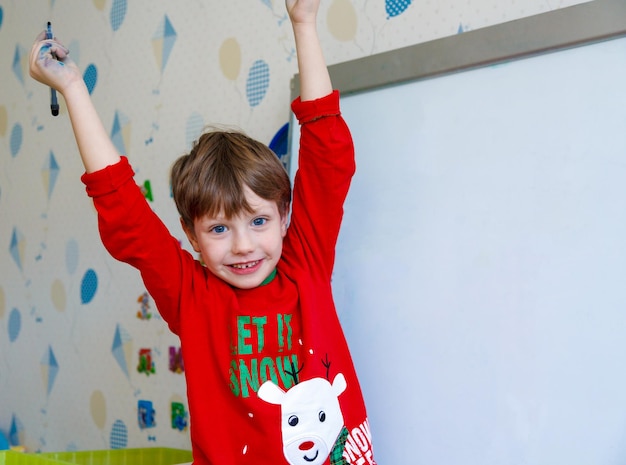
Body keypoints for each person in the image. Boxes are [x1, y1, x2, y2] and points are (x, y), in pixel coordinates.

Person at [30, 1, 376, 464]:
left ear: (285, 216)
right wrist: (73, 88)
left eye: (258, 221)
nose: (243, 245)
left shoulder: (305, 264)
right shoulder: (190, 295)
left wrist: (304, 23)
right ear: (191, 236)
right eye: (218, 228)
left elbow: (328, 156)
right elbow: (124, 212)